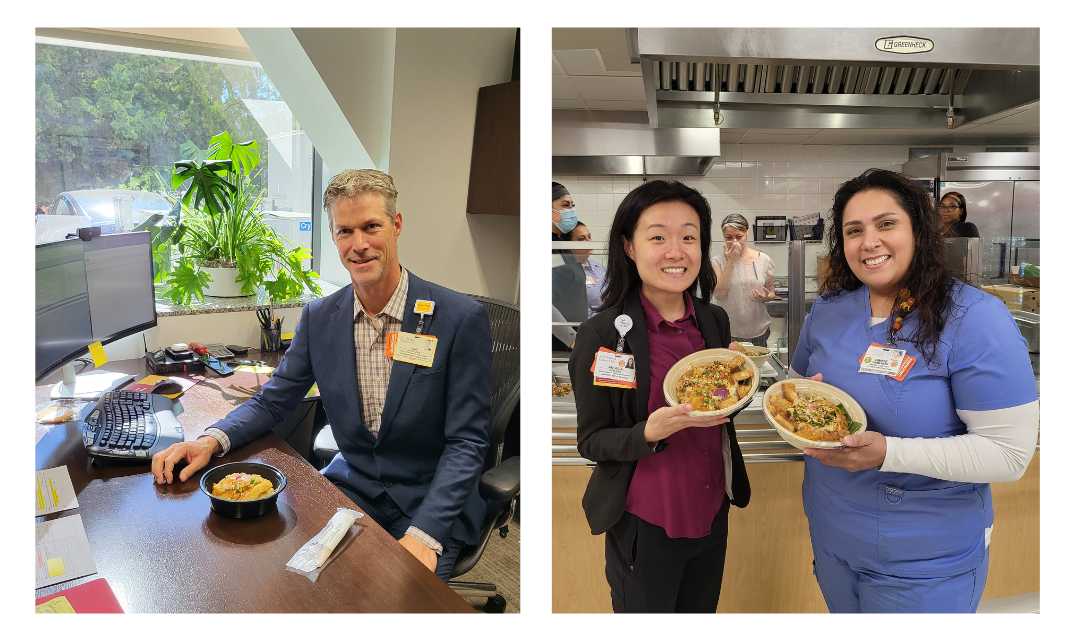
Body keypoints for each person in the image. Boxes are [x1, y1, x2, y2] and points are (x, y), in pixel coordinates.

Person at [151, 169, 492, 582]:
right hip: (355, 488)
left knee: (401, 599)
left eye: (371, 226)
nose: (358, 244)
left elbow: (467, 441)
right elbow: (273, 401)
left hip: (430, 500)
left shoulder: (458, 319)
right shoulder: (320, 318)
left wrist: (426, 533)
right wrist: (209, 440)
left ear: (397, 225)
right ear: (333, 235)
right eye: (345, 231)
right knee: (292, 579)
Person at [790, 169, 1038, 613]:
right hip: (833, 538)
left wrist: (888, 453)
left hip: (925, 559)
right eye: (854, 230)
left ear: (919, 232)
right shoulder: (829, 309)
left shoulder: (975, 317)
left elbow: (1008, 454)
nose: (869, 242)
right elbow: (794, 389)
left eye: (886, 224)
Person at [569, 179, 751, 613]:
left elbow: (720, 405)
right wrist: (647, 433)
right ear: (628, 247)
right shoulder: (603, 334)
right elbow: (592, 441)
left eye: (688, 237)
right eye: (657, 238)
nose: (676, 251)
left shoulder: (714, 320)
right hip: (647, 521)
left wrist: (742, 387)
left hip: (712, 512)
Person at [711, 213, 780, 347]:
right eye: (729, 237)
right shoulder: (717, 262)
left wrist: (766, 297)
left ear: (747, 234)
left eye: (739, 237)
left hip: (758, 331)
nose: (734, 242)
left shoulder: (763, 260)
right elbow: (718, 294)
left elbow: (771, 292)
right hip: (728, 331)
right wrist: (731, 261)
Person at [551, 182, 587, 350]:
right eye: (565, 205)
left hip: (576, 338)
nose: (571, 210)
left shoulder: (561, 244)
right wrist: (571, 339)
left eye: (572, 205)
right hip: (558, 343)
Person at [561, 221, 607, 319]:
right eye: (582, 239)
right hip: (584, 325)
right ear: (568, 245)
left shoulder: (600, 268)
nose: (589, 241)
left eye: (589, 237)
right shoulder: (567, 273)